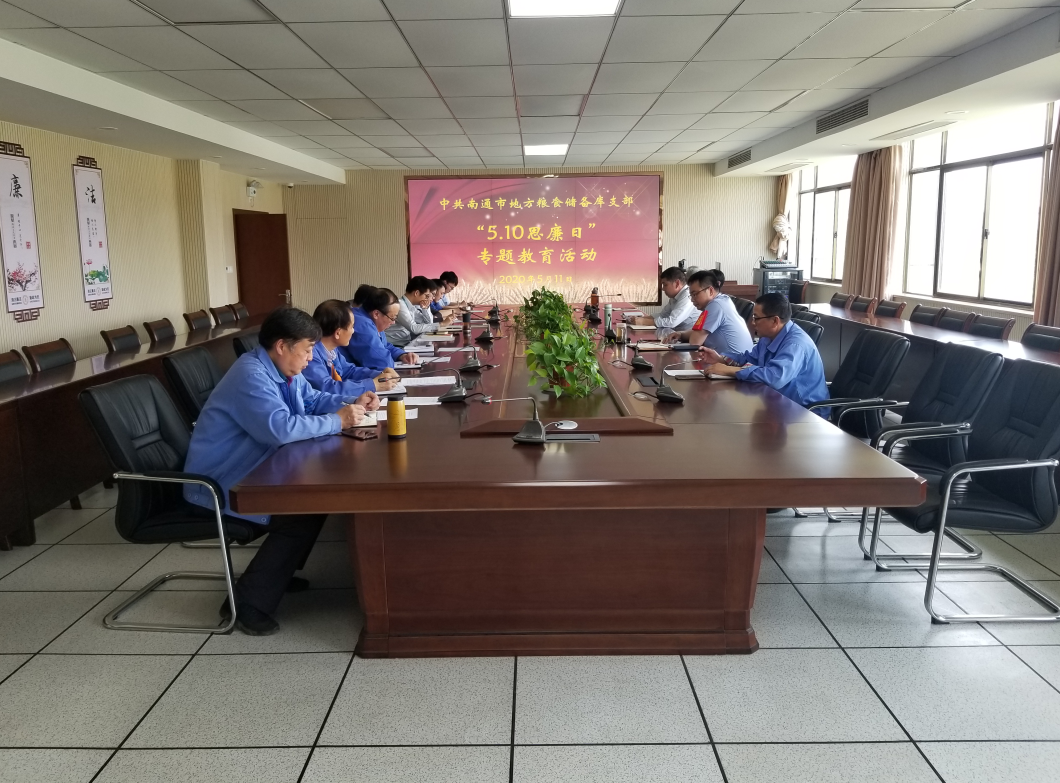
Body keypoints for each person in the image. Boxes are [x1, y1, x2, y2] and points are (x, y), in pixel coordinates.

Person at [183, 306, 379, 635]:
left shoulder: (282, 368)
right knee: (300, 512)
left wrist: (351, 402)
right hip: (220, 483)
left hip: (256, 468)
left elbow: (312, 400)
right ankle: (247, 604)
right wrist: (338, 422)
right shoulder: (251, 375)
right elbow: (280, 429)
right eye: (307, 350)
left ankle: (276, 574)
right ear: (281, 346)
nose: (310, 358)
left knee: (310, 505)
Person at [697, 292, 829, 415]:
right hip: (778, 402)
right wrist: (721, 359)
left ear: (775, 321)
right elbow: (749, 358)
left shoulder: (796, 344)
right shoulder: (768, 336)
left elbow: (775, 378)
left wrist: (731, 370)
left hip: (805, 411)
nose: (753, 323)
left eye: (756, 318)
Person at [305, 299, 399, 395]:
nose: (353, 331)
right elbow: (328, 387)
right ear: (338, 333)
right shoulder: (310, 354)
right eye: (352, 327)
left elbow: (349, 371)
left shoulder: (332, 350)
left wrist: (380, 374)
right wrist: (372, 385)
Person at [664, 269, 754, 354]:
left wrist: (685, 335)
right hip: (730, 359)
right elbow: (700, 331)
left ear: (710, 290)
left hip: (734, 362)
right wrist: (681, 334)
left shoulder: (715, 305)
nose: (692, 299)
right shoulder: (722, 300)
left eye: (695, 294)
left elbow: (695, 342)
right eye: (691, 295)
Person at [341, 287, 421, 369]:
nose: (393, 322)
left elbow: (384, 346)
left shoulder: (372, 320)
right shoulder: (362, 325)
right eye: (392, 318)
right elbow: (384, 363)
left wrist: (402, 355)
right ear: (376, 314)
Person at [386, 276, 454, 346]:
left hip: (407, 343)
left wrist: (425, 309)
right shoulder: (400, 305)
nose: (427, 299)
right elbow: (414, 328)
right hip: (396, 346)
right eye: (426, 296)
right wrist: (441, 324)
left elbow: (429, 323)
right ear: (417, 293)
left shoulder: (412, 305)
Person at [629, 266, 697, 331]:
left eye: (665, 284)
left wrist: (643, 322)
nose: (663, 289)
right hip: (677, 334)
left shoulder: (687, 296)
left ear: (677, 283)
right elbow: (663, 315)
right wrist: (638, 319)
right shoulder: (674, 297)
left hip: (688, 337)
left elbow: (672, 322)